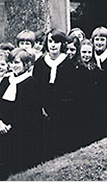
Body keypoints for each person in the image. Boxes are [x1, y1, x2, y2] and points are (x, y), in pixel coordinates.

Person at [0, 48, 42, 180]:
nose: (14, 66)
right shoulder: (6, 80)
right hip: (1, 129)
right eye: (12, 62)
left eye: (17, 63)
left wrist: (11, 125)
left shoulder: (31, 83)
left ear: (26, 65)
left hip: (21, 132)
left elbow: (29, 112)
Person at [32, 29, 77, 160]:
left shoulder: (68, 64)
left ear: (62, 44)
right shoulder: (40, 63)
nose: (53, 45)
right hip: (42, 109)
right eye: (50, 41)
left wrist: (61, 107)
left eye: (57, 42)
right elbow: (35, 88)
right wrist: (41, 107)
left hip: (63, 110)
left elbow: (72, 89)